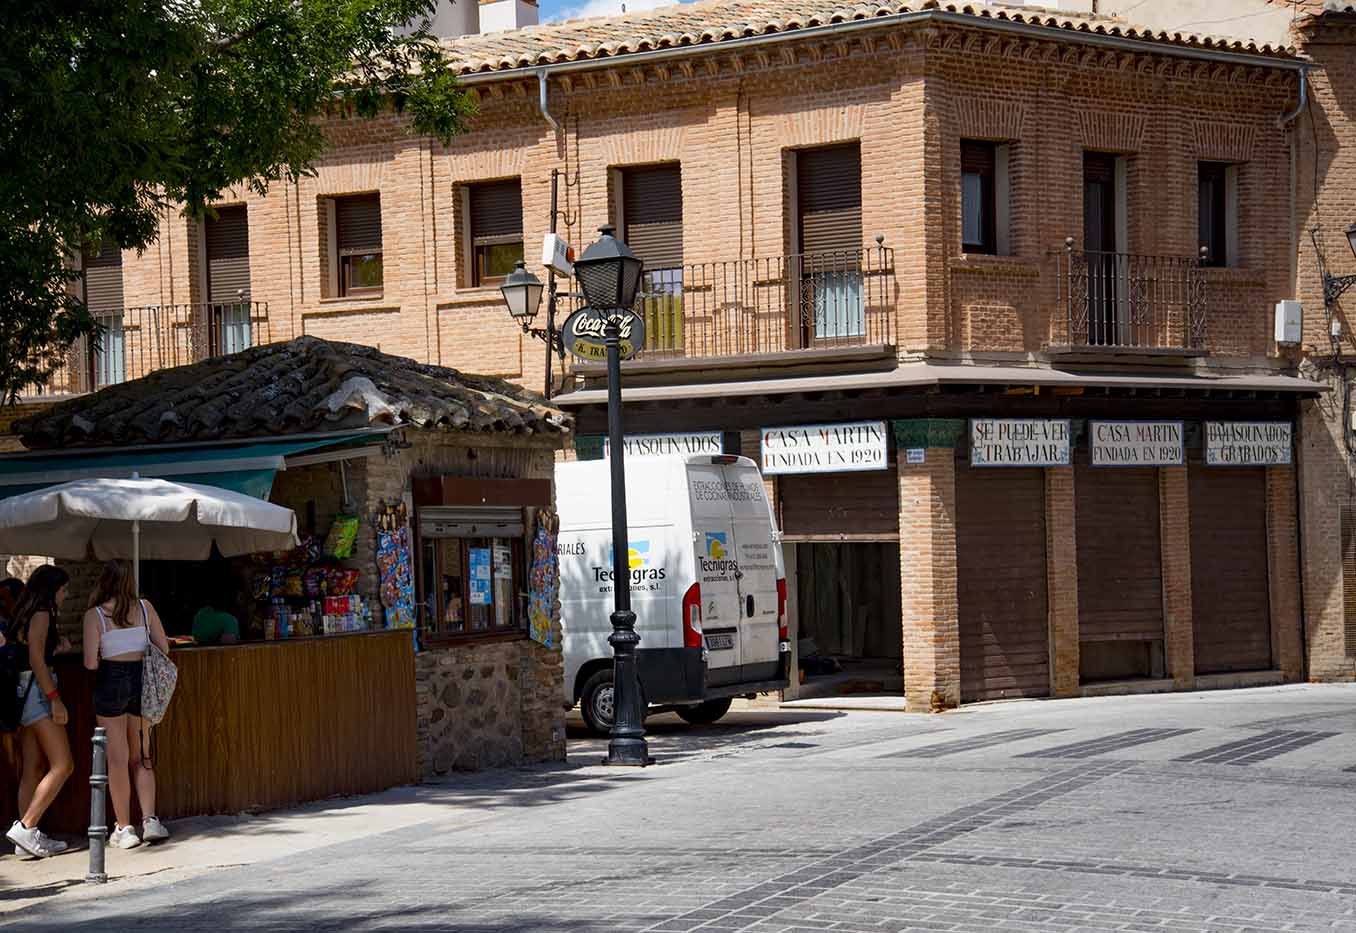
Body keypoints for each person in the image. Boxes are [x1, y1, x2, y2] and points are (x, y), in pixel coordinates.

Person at [83, 559, 171, 850]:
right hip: (142, 679)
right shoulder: (146, 608)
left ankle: (125, 828)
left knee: (117, 759)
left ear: (103, 582)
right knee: (142, 755)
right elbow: (164, 647)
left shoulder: (94, 615)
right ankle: (150, 821)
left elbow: (90, 663)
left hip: (111, 680)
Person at [5, 566, 74, 859]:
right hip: (38, 695)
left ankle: (24, 842)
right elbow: (35, 658)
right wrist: (55, 699)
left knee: (32, 767)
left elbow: (31, 652)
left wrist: (53, 649)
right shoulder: (43, 612)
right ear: (52, 590)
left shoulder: (24, 612)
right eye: (63, 589)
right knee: (64, 764)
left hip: (22, 693)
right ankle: (27, 826)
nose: (66, 595)